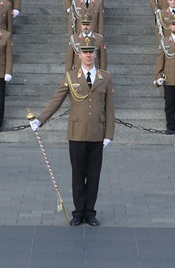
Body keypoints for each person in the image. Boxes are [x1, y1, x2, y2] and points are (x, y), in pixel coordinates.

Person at [30, 36, 114, 226]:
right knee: (78, 174)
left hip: (97, 133)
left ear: (95, 54)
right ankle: (78, 212)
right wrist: (40, 119)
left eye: (91, 52)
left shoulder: (105, 77)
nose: (88, 55)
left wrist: (109, 134)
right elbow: (56, 100)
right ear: (79, 55)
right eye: (85, 52)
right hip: (76, 133)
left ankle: (90, 212)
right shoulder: (71, 76)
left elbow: (109, 108)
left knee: (93, 175)